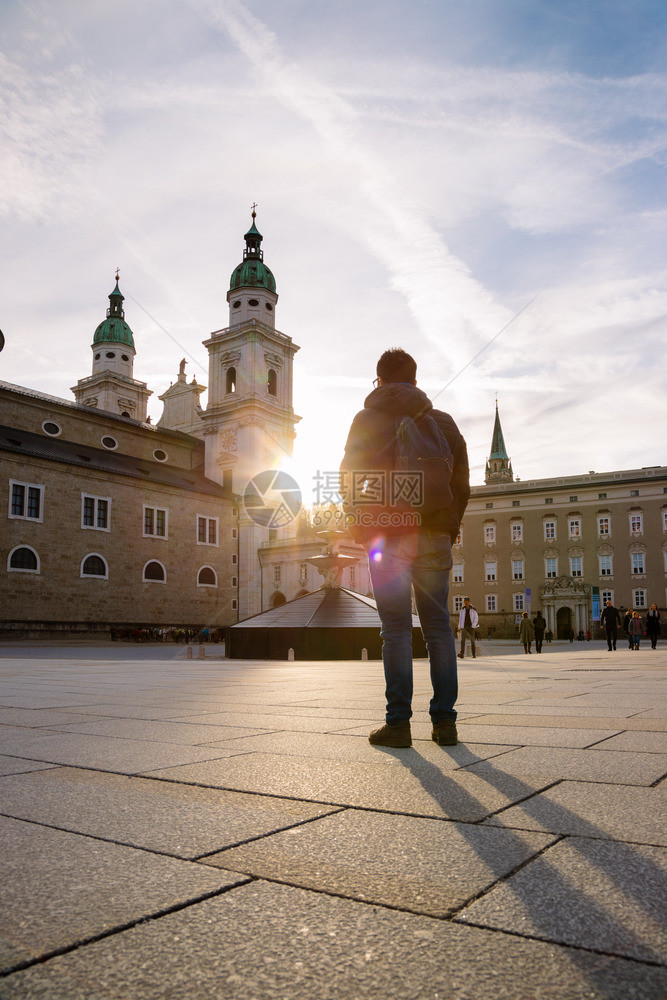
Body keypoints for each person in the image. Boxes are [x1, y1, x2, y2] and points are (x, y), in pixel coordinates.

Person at [340, 348, 470, 748]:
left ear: (378, 381)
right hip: (432, 535)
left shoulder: (366, 419)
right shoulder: (443, 422)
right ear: (414, 380)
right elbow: (461, 485)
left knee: (395, 631)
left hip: (386, 536)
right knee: (437, 630)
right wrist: (447, 530)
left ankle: (398, 725)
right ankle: (444, 724)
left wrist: (364, 528)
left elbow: (348, 480)